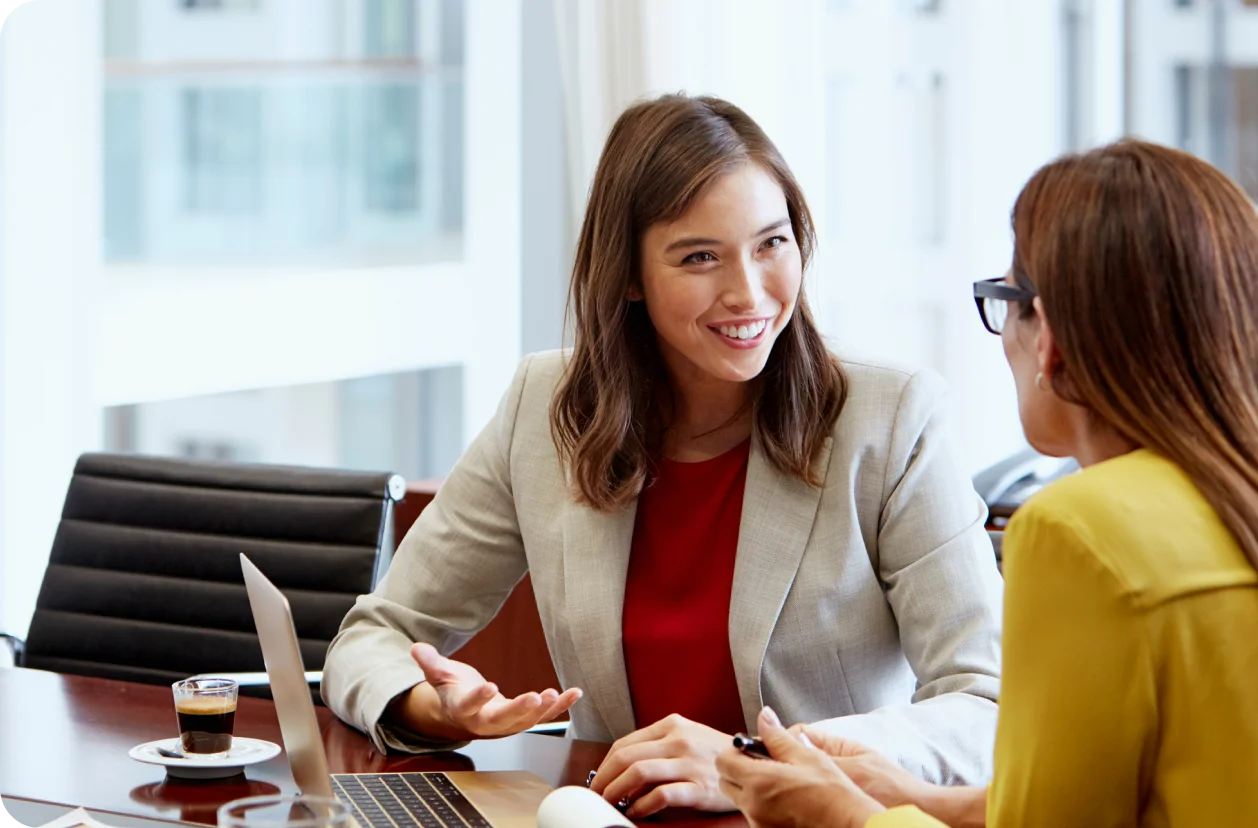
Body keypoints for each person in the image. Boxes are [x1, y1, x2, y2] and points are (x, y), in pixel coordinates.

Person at [715, 139, 1258, 828]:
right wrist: (916, 801)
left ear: (1053, 340)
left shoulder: (1077, 530)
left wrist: (839, 817)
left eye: (1005, 303)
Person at [321, 93, 1004, 819]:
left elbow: (986, 706)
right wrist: (433, 707)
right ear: (628, 278)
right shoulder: (545, 407)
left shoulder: (891, 418)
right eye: (700, 257)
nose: (749, 292)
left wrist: (747, 764)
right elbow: (373, 636)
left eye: (772, 243)